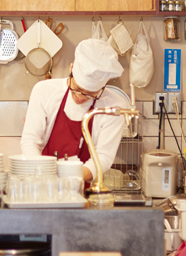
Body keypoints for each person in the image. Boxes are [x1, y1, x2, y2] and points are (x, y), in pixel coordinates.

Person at [20, 39, 129, 182]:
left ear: (104, 85)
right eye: (76, 88)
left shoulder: (113, 105)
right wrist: (44, 175)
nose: (80, 97)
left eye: (90, 93)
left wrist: (70, 179)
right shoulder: (44, 91)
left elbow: (103, 157)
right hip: (43, 183)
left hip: (82, 187)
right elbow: (30, 141)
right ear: (71, 69)